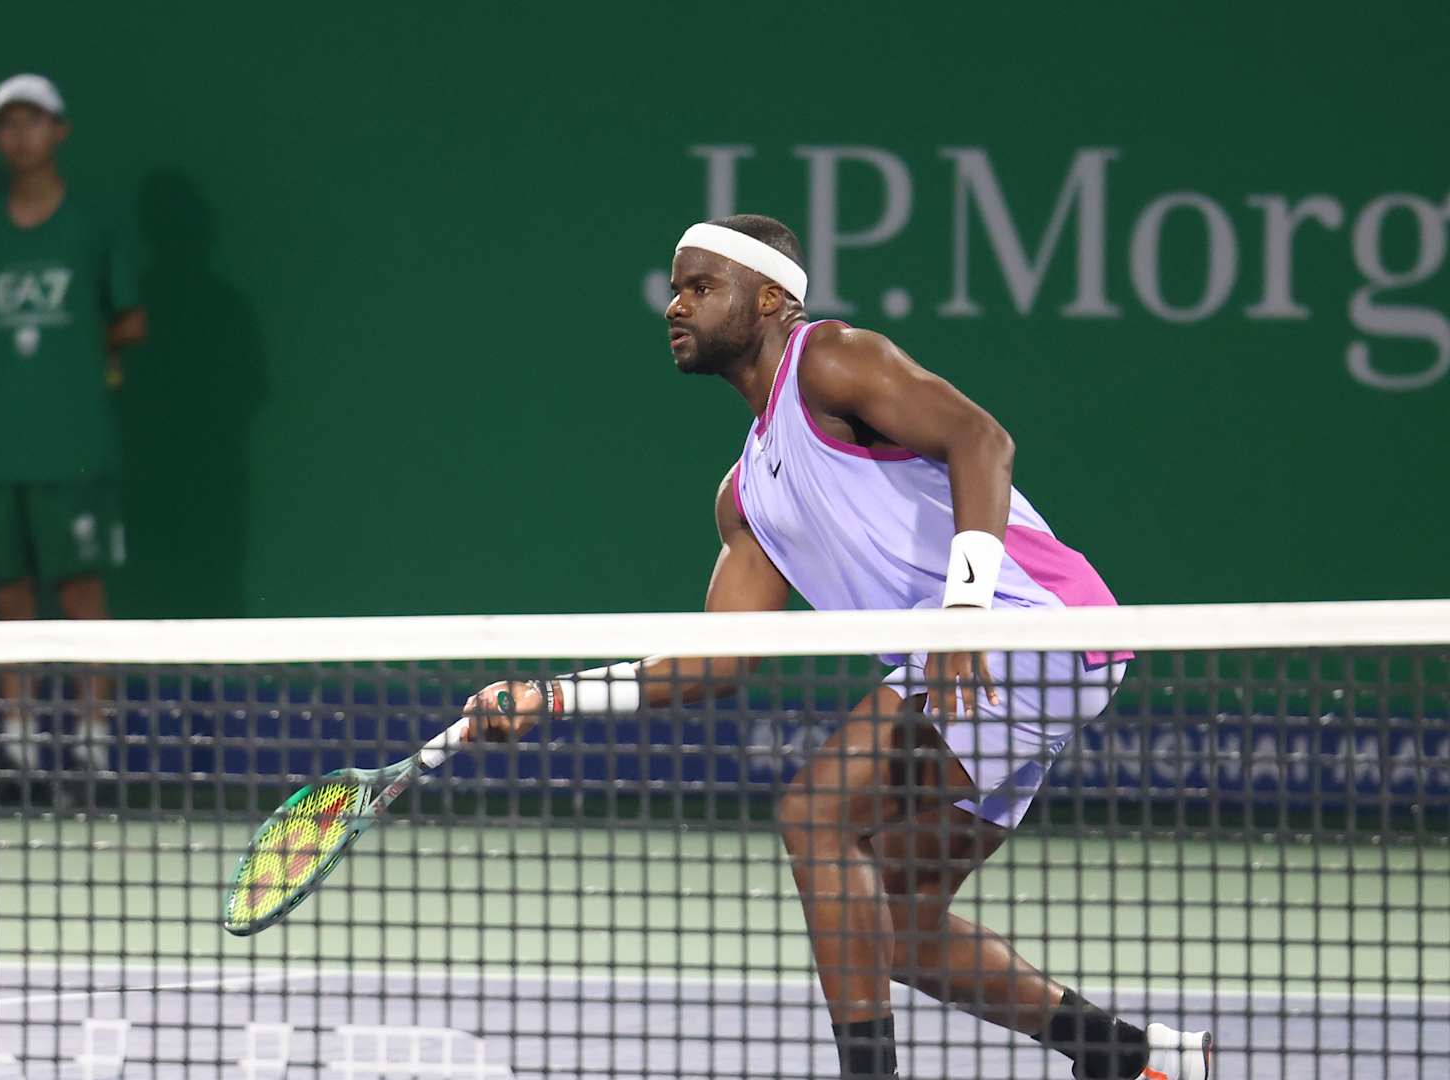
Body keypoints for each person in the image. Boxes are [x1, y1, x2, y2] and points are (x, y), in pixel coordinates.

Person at [462, 215, 1212, 1079]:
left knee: (813, 814)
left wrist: (963, 611)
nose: (676, 304)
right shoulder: (746, 496)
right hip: (976, 663)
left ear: (773, 298)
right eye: (676, 287)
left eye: (701, 287)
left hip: (1026, 625)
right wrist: (549, 698)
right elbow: (712, 667)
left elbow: (982, 439)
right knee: (891, 924)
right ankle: (1128, 1057)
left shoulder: (832, 358)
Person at [0, 74, 146, 805]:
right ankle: (19, 751)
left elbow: (130, 320)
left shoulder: (96, 224)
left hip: (78, 445)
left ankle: (93, 752)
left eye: (33, 121)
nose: (20, 136)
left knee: (81, 592)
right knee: (9, 597)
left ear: (59, 130)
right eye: (7, 124)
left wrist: (75, 360)